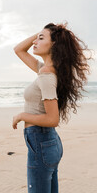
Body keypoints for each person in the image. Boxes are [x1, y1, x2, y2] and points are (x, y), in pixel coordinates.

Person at [12, 22, 93, 193]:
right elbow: (18, 50)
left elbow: (52, 119)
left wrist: (22, 115)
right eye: (36, 38)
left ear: (54, 44)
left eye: (41, 39)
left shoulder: (46, 74)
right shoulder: (47, 69)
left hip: (41, 142)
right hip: (47, 143)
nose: (35, 42)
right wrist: (42, 34)